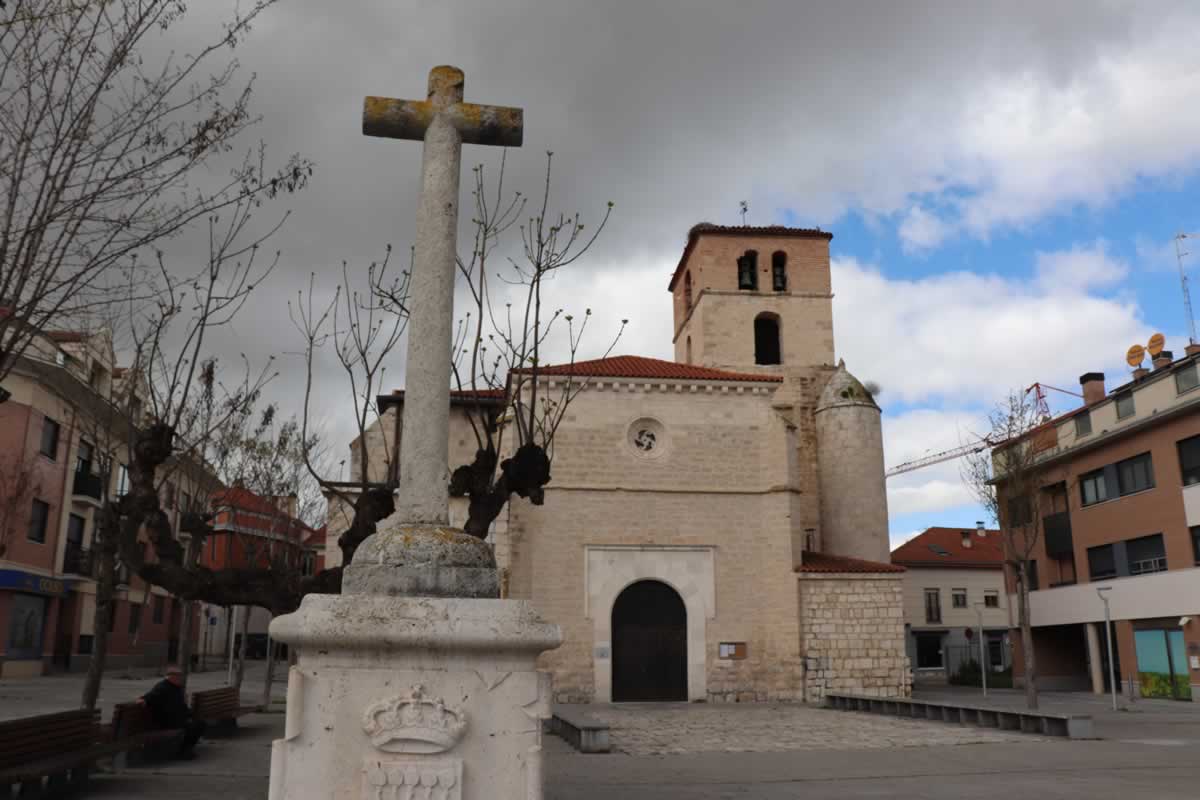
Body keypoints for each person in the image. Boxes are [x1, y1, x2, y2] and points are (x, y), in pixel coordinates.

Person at [138, 665, 206, 759]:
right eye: (179, 676)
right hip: (166, 722)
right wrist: (143, 700)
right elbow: (149, 697)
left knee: (199, 723)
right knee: (194, 726)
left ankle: (185, 749)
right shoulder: (162, 687)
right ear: (172, 677)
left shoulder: (175, 688)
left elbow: (181, 707)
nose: (181, 679)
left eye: (181, 676)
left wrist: (191, 714)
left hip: (175, 719)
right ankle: (183, 751)